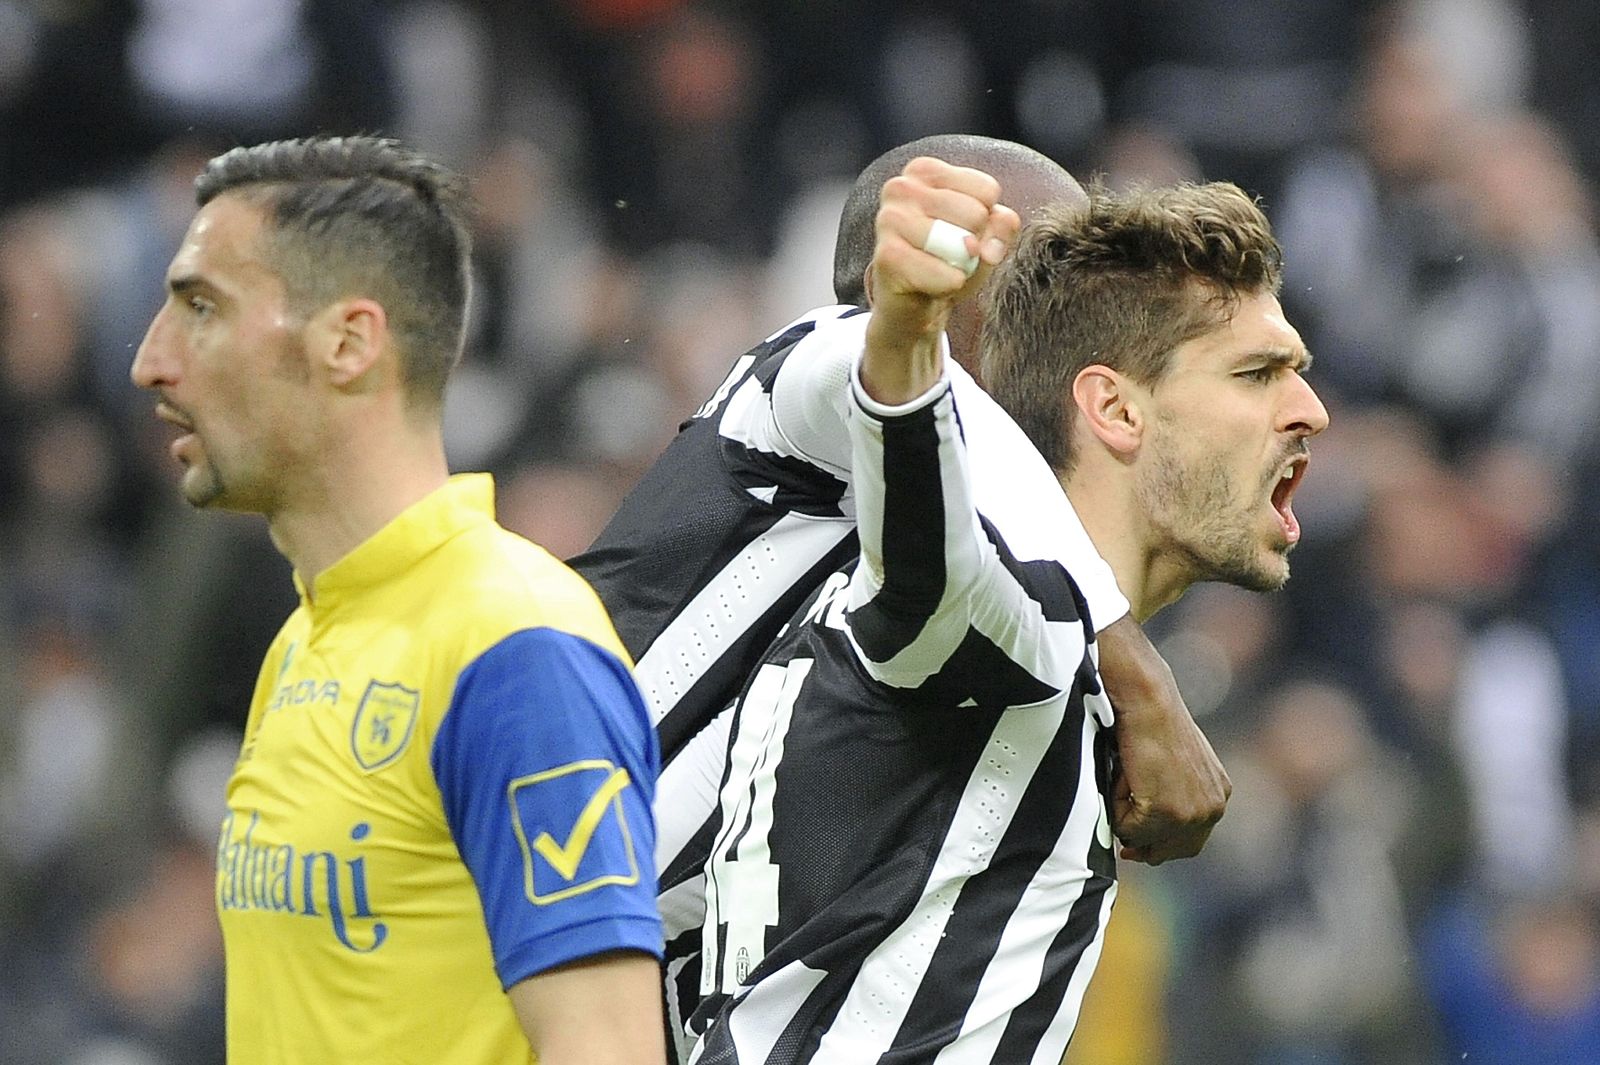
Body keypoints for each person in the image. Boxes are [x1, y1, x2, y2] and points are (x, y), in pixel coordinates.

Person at [569, 135, 1229, 1056]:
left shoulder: (967, 580)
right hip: (481, 906)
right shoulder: (796, 374)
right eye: (1055, 288)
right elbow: (910, 391)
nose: (1088, 331)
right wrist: (1138, 673)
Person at [686, 161, 1328, 1061]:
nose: (1310, 411)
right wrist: (906, 336)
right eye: (1256, 374)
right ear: (1114, 408)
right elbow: (933, 543)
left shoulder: (1068, 664)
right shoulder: (1016, 618)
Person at [128, 135, 666, 1065]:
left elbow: (607, 1047)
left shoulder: (515, 645)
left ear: (348, 342)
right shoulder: (304, 641)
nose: (150, 361)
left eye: (202, 307)